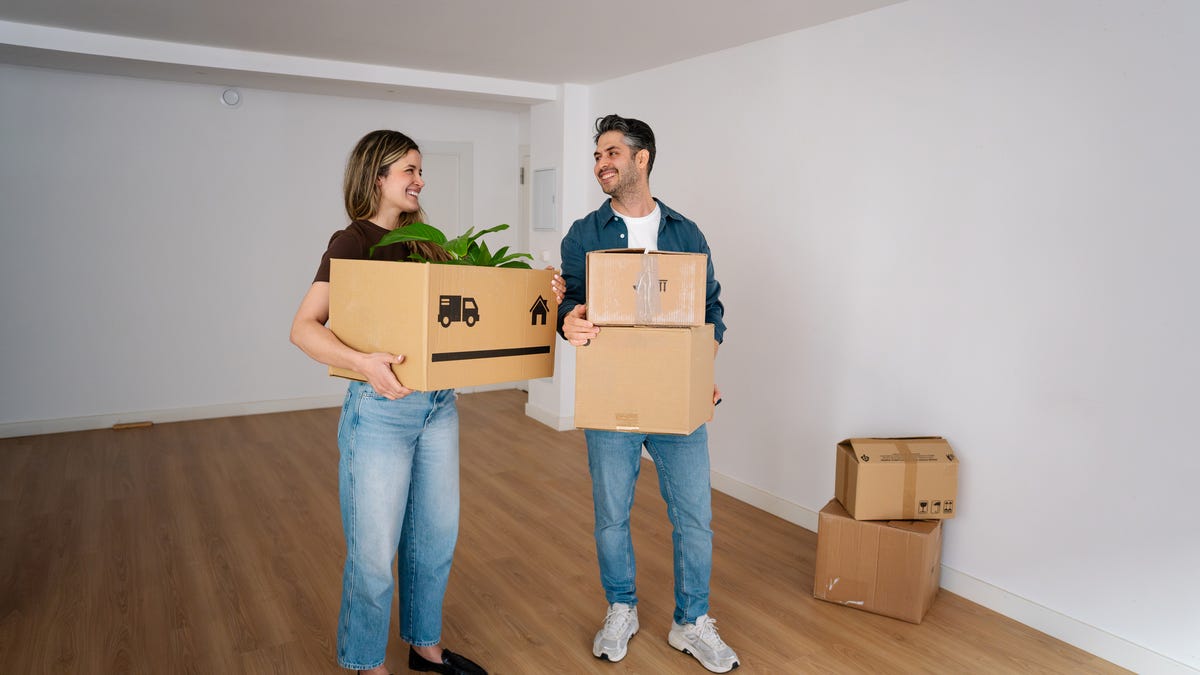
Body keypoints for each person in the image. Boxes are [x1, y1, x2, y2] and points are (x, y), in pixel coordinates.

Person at [290, 129, 487, 675]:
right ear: (377, 177)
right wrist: (363, 363)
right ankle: (365, 664)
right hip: (379, 414)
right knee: (374, 555)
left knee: (434, 537)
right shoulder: (351, 241)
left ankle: (424, 646)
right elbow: (303, 328)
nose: (420, 181)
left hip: (437, 408)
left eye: (421, 171)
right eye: (410, 171)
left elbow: (460, 313)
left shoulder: (428, 241)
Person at [551, 115, 740, 673]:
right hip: (613, 397)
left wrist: (700, 369)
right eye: (597, 155)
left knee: (695, 517)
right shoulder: (584, 234)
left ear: (642, 159)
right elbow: (570, 305)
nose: (600, 163)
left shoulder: (686, 233)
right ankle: (622, 607)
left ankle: (692, 621)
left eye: (611, 152)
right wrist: (569, 321)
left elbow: (711, 312)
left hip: (675, 400)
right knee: (612, 515)